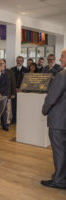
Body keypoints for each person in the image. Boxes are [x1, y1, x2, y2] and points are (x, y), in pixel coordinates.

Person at [41, 49, 66, 189]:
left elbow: (52, 97)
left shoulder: (62, 75)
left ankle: (59, 180)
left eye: (62, 57)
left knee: (59, 151)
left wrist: (44, 110)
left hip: (58, 121)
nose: (60, 60)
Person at [11, 56, 28, 124]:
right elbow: (10, 81)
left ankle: (21, 119)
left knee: (22, 106)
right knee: (14, 106)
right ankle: (14, 119)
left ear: (23, 62)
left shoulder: (26, 69)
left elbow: (27, 81)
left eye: (20, 60)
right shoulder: (12, 69)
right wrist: (14, 89)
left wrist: (21, 89)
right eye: (18, 60)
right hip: (14, 91)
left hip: (22, 91)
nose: (19, 62)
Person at [0, 59, 16, 125]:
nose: (1, 64)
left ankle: (7, 121)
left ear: (5, 64)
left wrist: (13, 93)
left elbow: (13, 83)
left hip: (7, 93)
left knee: (7, 109)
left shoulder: (10, 72)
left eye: (2, 63)